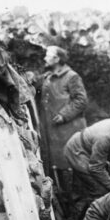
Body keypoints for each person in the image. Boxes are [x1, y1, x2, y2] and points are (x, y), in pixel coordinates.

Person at [39, 46, 87, 181]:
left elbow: (81, 100)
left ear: (57, 58)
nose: (44, 58)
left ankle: (76, 198)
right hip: (52, 130)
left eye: (48, 55)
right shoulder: (46, 77)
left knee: (70, 164)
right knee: (55, 165)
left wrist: (64, 115)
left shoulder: (72, 76)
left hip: (67, 130)